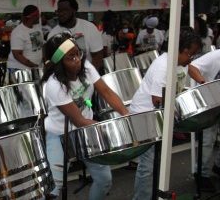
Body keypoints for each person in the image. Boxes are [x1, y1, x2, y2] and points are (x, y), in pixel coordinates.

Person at [41, 32, 129, 199]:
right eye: (70, 57)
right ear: (59, 63)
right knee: (54, 188)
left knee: (104, 180)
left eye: (78, 54)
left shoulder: (86, 67)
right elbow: (78, 120)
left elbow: (106, 92)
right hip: (60, 134)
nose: (77, 60)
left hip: (86, 131)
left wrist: (125, 114)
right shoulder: (54, 85)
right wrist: (106, 130)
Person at [131, 27, 202, 200]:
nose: (191, 58)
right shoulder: (164, 65)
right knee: (147, 166)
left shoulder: (181, 62)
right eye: (190, 54)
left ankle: (153, 195)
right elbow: (158, 100)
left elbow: (188, 69)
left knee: (157, 163)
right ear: (181, 50)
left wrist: (201, 81)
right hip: (144, 115)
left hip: (158, 115)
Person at [188, 49, 220, 192]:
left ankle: (218, 166)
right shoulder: (216, 55)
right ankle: (201, 173)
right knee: (208, 139)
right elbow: (192, 66)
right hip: (207, 99)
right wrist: (204, 83)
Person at [47, 0, 104, 74]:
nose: (60, 13)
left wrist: (90, 77)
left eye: (65, 10)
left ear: (74, 11)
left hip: (88, 74)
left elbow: (98, 55)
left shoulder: (89, 27)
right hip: (65, 79)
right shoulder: (53, 34)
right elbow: (53, 62)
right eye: (59, 10)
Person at [6, 5, 44, 71]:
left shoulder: (37, 29)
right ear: (32, 16)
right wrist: (33, 65)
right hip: (19, 68)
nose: (39, 17)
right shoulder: (18, 32)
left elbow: (40, 47)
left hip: (35, 68)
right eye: (38, 15)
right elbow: (17, 54)